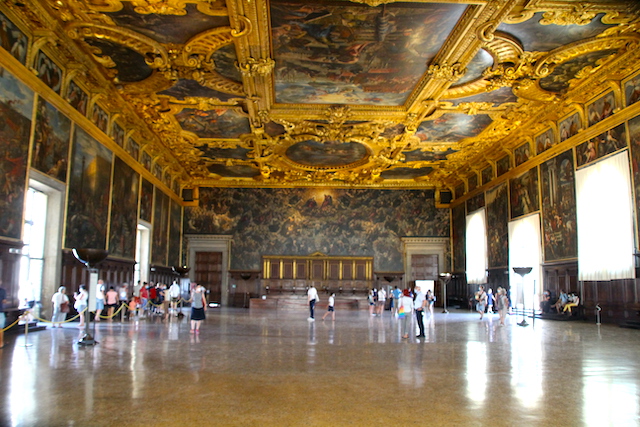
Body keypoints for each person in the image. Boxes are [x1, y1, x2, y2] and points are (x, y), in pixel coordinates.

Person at [0, 280, 7, 348]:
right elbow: (4, 301)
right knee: (1, 328)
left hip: (0, 311)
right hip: (0, 311)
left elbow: (4, 301)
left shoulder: (2, 291)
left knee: (1, 328)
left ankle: (1, 343)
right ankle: (1, 343)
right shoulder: (3, 291)